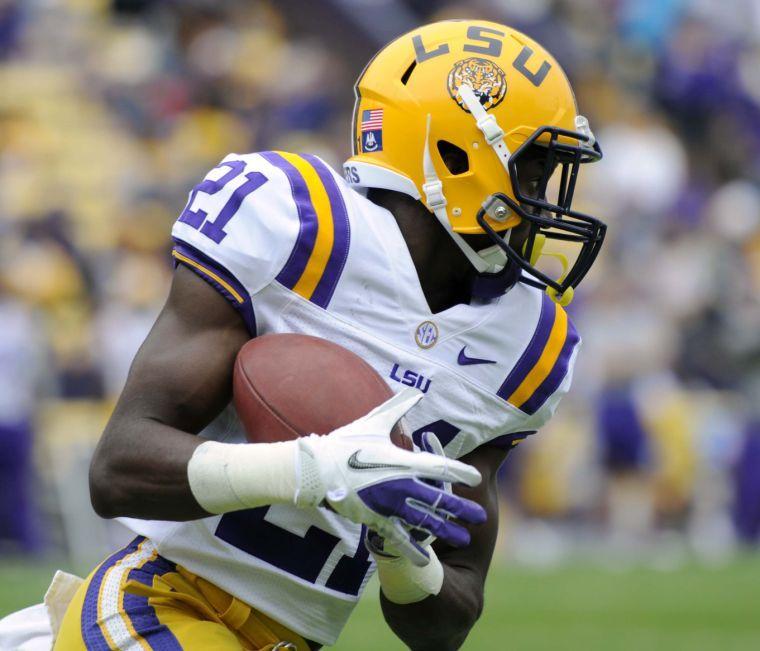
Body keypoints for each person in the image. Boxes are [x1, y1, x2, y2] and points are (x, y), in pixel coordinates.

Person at [21, 19, 605, 651]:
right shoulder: (300, 226)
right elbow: (118, 470)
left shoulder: (526, 343)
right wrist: (318, 471)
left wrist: (399, 543)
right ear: (454, 154)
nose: (545, 200)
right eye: (533, 171)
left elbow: (446, 622)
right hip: (160, 600)